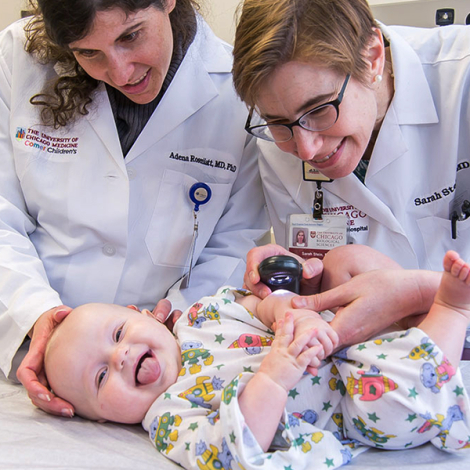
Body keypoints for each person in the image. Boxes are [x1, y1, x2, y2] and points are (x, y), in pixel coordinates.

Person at [0, 0, 270, 418]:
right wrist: (34, 313)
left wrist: (179, 318)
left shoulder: (237, 91)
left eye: (131, 36)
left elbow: (236, 240)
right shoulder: (18, 57)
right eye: (88, 53)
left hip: (169, 360)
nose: (121, 71)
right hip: (28, 350)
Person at [43, 247, 470, 469]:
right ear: (101, 419)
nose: (120, 356)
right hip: (350, 405)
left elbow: (258, 305)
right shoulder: (169, 417)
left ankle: (413, 300)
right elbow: (233, 451)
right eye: (100, 378)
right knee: (397, 404)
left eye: (119, 334)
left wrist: (290, 316)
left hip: (338, 335)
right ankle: (451, 310)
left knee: (348, 261)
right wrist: (273, 379)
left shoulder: (199, 314)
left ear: (143, 313)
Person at [231, 0, 470, 334]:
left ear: (372, 57)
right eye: (278, 122)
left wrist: (425, 294)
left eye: (319, 110)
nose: (305, 148)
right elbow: (329, 302)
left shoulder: (463, 80)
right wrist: (305, 285)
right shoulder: (276, 146)